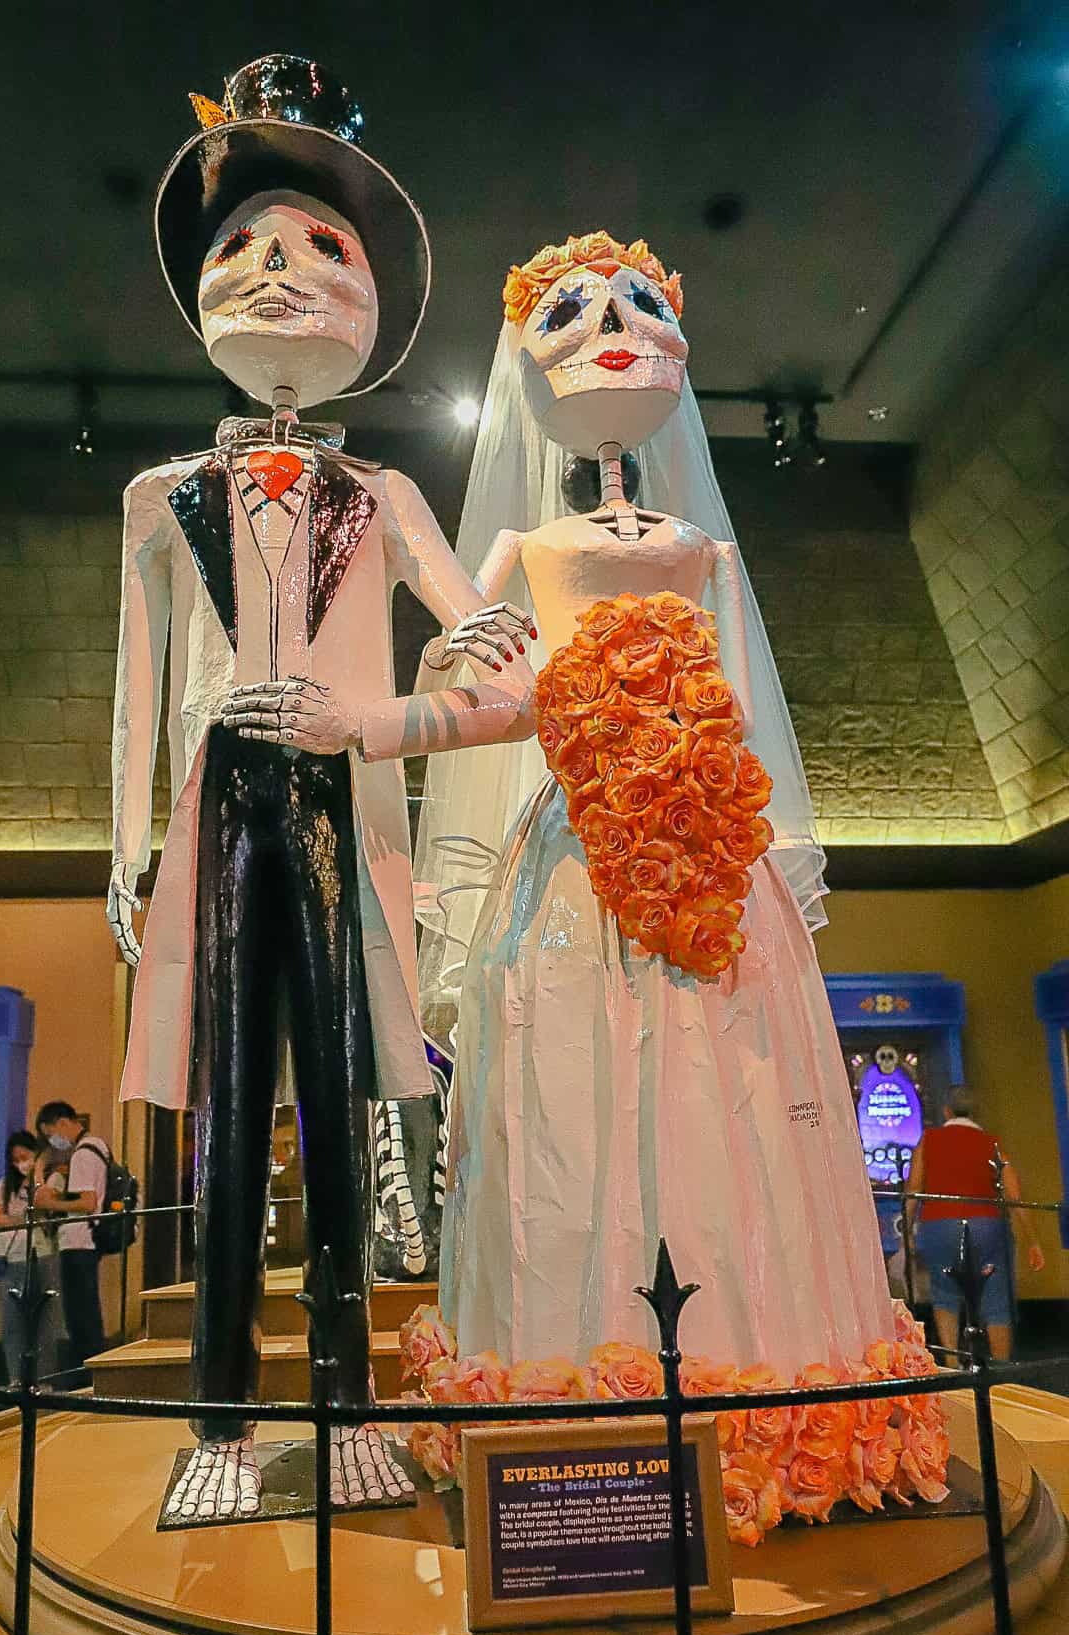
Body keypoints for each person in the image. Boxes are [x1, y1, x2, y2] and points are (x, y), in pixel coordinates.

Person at [107, 55, 528, 1522]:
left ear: (370, 295)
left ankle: (347, 1401)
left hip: (343, 810)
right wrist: (124, 854)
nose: (275, 271)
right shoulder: (160, 501)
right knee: (227, 1117)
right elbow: (136, 682)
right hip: (219, 808)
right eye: (241, 247)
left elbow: (489, 643)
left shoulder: (388, 497)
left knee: (343, 1105)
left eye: (315, 247)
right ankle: (223, 1418)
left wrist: (393, 710)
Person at [371, 228, 894, 1381]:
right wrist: (448, 693)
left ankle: (757, 1339)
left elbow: (741, 696)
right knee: (573, 1053)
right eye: (575, 313)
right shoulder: (521, 541)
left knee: (727, 1065)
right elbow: (466, 669)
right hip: (572, 826)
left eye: (637, 305)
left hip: (708, 828)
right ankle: (580, 1338)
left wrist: (733, 810)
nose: (612, 330)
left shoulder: (703, 547)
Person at [907, 1085, 1045, 1360]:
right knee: (996, 1299)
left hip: (939, 1225)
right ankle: (1000, 1374)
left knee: (944, 1295)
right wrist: (1033, 1241)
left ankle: (952, 1364)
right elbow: (1014, 1194)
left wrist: (908, 1232)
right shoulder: (991, 1143)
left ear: (946, 1111)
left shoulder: (929, 1140)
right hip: (988, 1225)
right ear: (975, 1113)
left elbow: (913, 1191)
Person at [32, 1100, 108, 1375]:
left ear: (63, 1122)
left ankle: (89, 1377)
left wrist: (52, 1204)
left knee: (81, 1318)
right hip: (86, 1242)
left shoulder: (84, 1154)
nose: (53, 1140)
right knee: (85, 1314)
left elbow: (86, 1202)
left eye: (50, 1132)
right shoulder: (96, 1147)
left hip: (79, 1242)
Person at [0, 1129, 58, 1384]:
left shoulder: (50, 1181)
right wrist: (20, 1220)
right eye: (15, 1159)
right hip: (11, 1257)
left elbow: (43, 1202)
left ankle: (46, 1378)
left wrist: (37, 1172)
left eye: (25, 1157)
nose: (21, 1163)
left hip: (42, 1254)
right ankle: (16, 1378)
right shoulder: (5, 1186)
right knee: (12, 1323)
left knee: (44, 1323)